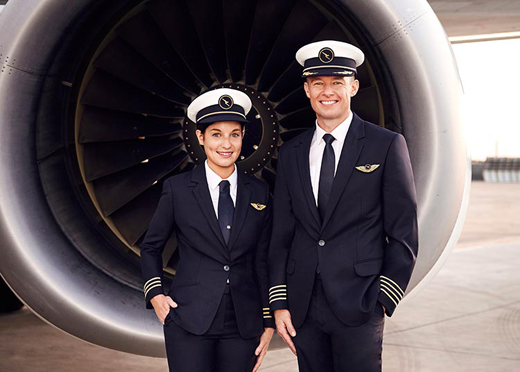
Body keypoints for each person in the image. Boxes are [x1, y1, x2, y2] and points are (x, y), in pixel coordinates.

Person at [268, 40, 419, 372]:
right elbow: (281, 233)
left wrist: (383, 298)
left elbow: (403, 230)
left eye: (337, 82)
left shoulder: (386, 145)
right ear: (307, 89)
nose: (328, 91)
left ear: (353, 86)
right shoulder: (291, 152)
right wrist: (279, 302)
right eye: (319, 83)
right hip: (303, 304)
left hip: (360, 301)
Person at [140, 88, 275, 372]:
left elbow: (263, 261)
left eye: (234, 134)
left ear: (242, 138)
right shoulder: (178, 190)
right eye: (216, 134)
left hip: (243, 323)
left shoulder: (260, 192)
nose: (226, 144)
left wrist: (267, 321)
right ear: (200, 137)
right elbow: (151, 246)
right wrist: (155, 294)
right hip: (189, 319)